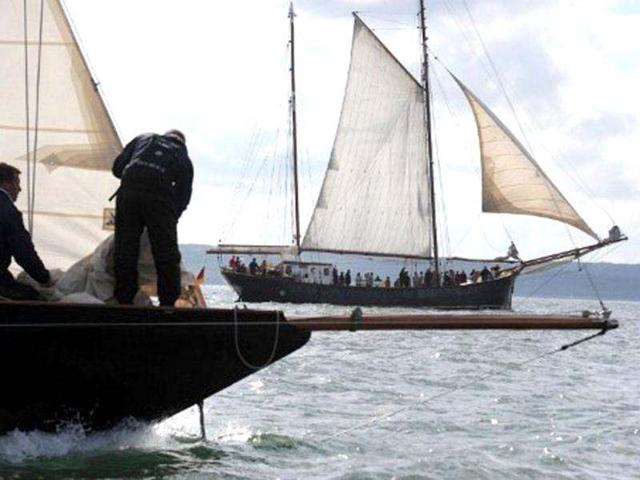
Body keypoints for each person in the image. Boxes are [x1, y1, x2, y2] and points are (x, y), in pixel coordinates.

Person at [112, 130, 193, 306]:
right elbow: (183, 196)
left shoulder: (143, 138)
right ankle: (168, 304)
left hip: (128, 193)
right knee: (166, 254)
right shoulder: (183, 156)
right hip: (159, 198)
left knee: (125, 249)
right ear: (182, 142)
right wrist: (171, 220)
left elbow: (117, 168)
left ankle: (124, 300)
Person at [0, 163, 51, 300]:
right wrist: (44, 278)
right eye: (17, 183)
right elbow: (23, 251)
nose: (20, 189)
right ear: (6, 184)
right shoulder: (8, 211)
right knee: (36, 298)